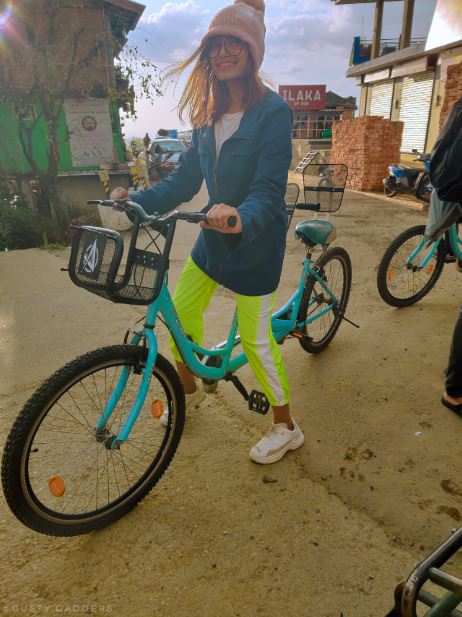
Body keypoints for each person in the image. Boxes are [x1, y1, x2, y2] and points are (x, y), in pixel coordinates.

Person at [110, 0, 304, 464]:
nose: (223, 51)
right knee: (182, 312)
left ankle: (287, 426)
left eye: (234, 41)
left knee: (257, 341)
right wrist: (137, 199)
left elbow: (268, 188)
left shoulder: (273, 113)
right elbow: (185, 181)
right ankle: (190, 387)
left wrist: (240, 216)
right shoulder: (207, 113)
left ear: (252, 50)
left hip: (254, 240)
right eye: (216, 43)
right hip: (212, 236)